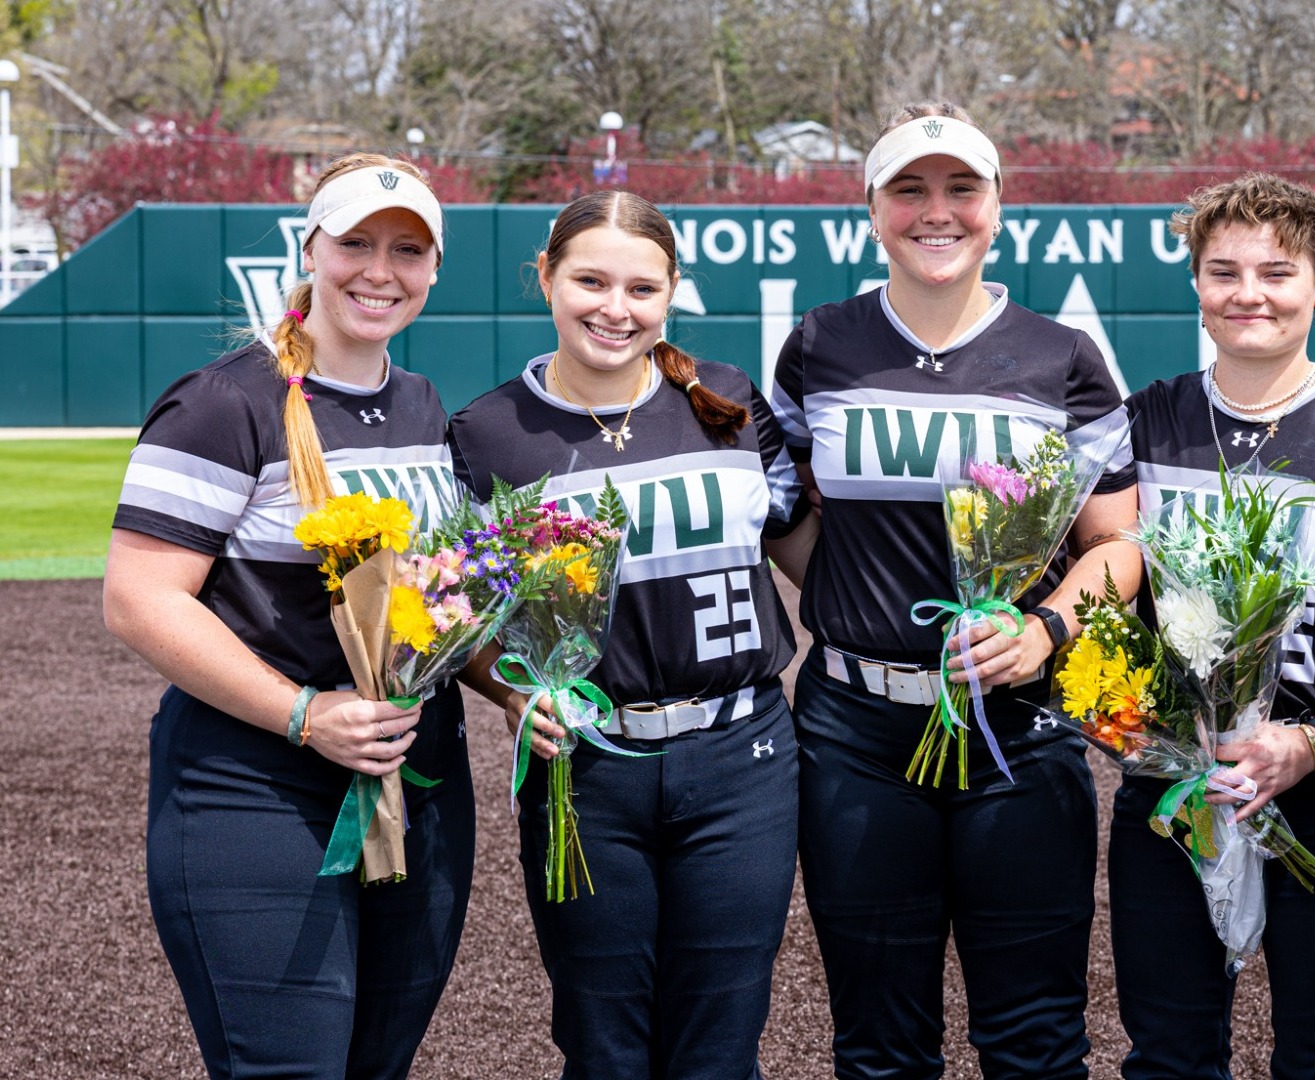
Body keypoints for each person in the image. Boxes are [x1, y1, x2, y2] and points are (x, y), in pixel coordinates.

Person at [770, 102, 1139, 1078]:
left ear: (998, 207)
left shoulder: (1063, 358)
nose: (938, 211)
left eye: (961, 188)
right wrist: (857, 607)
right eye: (910, 189)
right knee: (880, 1046)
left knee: (1036, 1039)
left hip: (1020, 725)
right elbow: (789, 514)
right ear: (873, 210)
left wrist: (1048, 628)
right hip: (856, 730)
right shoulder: (819, 346)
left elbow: (1117, 541)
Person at [104, 152, 471, 1079]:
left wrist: (514, 684)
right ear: (311, 250)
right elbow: (139, 601)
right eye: (355, 244)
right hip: (254, 786)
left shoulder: (422, 403)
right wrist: (306, 716)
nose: (379, 272)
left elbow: (433, 604)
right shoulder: (224, 400)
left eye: (407, 251)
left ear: (434, 270)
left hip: (412, 782)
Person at [446, 189, 814, 1079]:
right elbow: (454, 613)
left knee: (720, 1045)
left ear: (672, 293)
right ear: (545, 277)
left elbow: (811, 553)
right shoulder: (486, 433)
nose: (616, 308)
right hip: (586, 768)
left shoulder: (726, 400)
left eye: (642, 288)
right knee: (604, 1043)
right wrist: (510, 690)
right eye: (590, 280)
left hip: (743, 761)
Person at [1112, 173, 1315, 1079]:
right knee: (1167, 1056)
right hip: (1174, 796)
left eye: (1277, 272)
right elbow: (1100, 593)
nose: (1249, 294)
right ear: (1196, 286)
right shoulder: (1144, 422)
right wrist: (1138, 729)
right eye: (1223, 271)